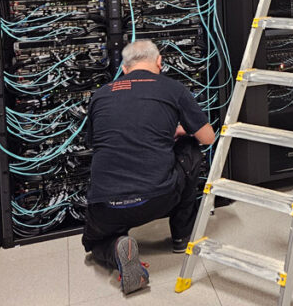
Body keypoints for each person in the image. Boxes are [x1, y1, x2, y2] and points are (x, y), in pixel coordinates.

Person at [82, 40, 216, 294]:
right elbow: (208, 138)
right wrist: (177, 132)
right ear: (159, 62)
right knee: (191, 149)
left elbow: (96, 142)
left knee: (94, 241)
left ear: (124, 68)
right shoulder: (173, 89)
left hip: (105, 205)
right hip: (158, 198)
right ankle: (181, 236)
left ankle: (117, 246)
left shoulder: (100, 95)